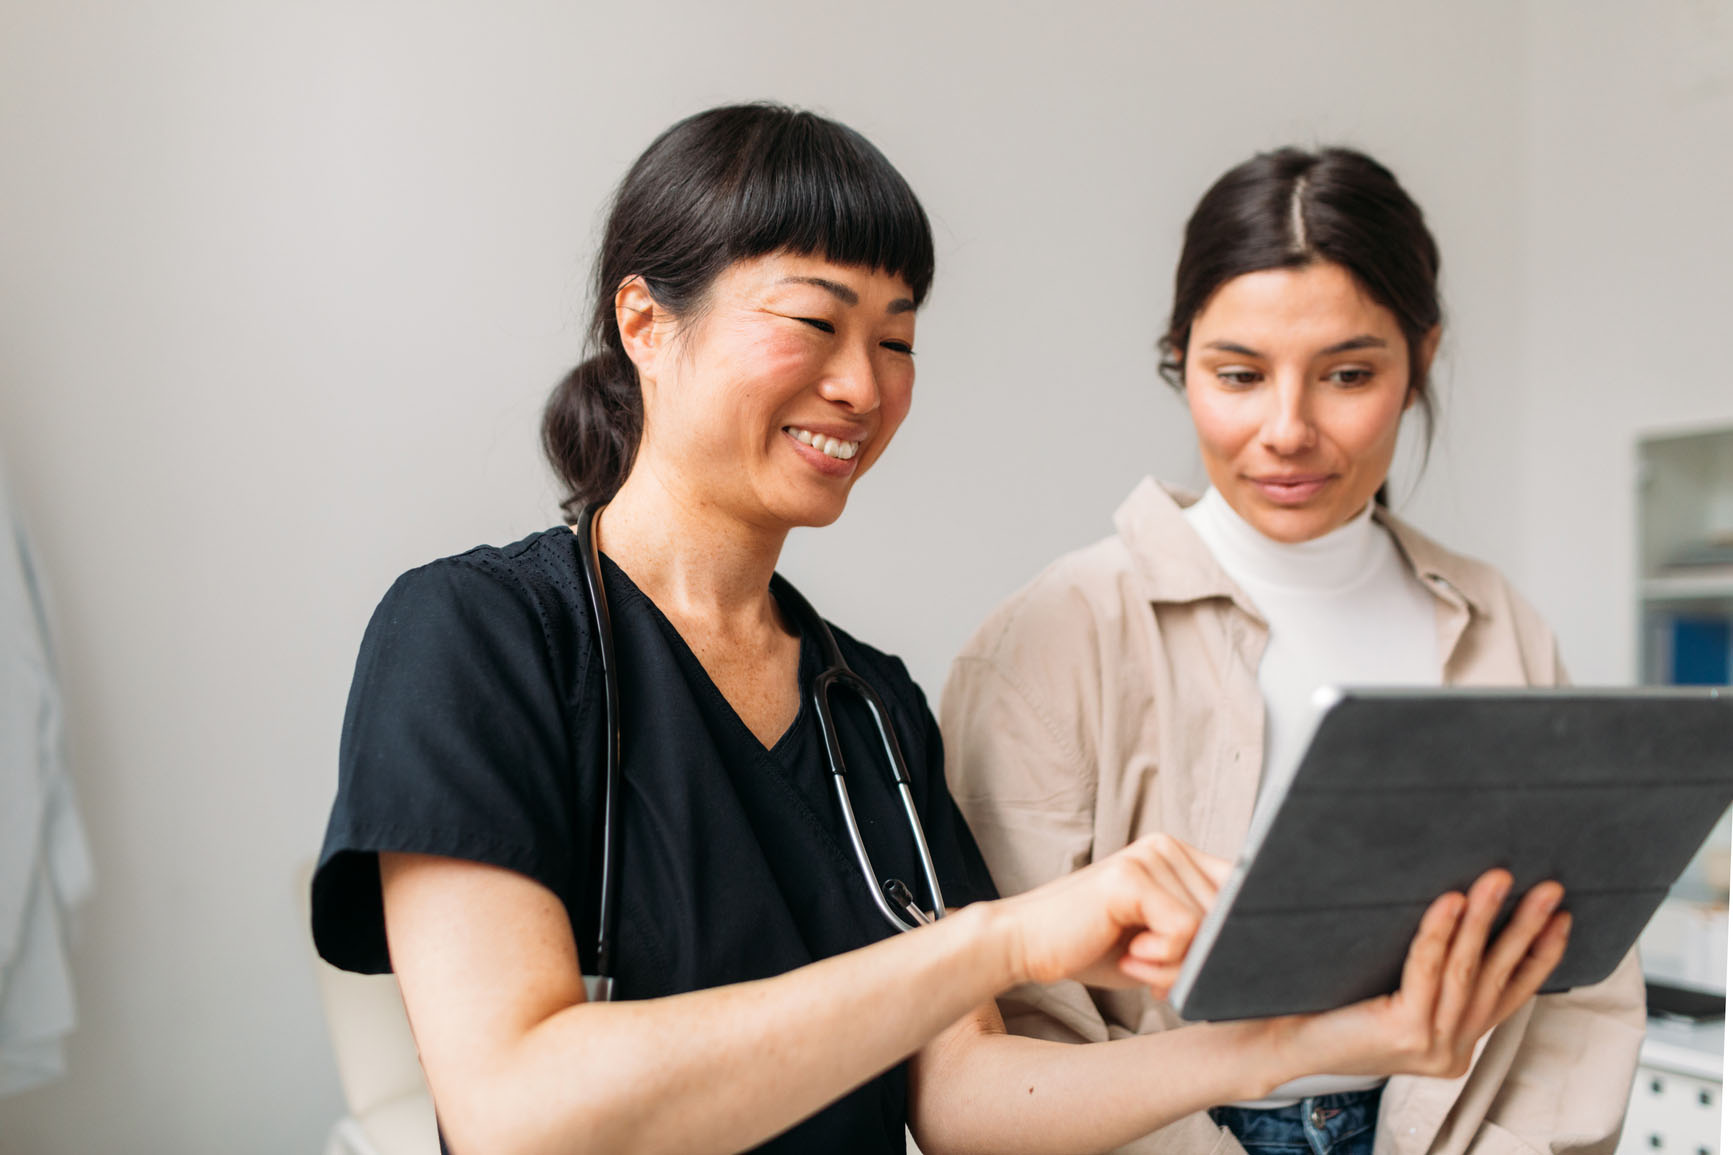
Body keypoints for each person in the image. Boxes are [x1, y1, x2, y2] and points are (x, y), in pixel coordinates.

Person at [311, 110, 1575, 1155]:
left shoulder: (868, 706)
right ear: (645, 324)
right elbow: (519, 1113)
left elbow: (961, 1097)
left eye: (897, 337)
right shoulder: (477, 637)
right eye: (813, 323)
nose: (862, 385)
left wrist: (1320, 1041)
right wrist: (1008, 935)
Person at [940, 146, 1647, 1155]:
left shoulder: (1497, 624)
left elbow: (1579, 977)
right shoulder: (1050, 636)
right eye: (1237, 374)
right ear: (1180, 359)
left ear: (1420, 364)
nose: (1286, 429)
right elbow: (1017, 1024)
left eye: (1347, 375)